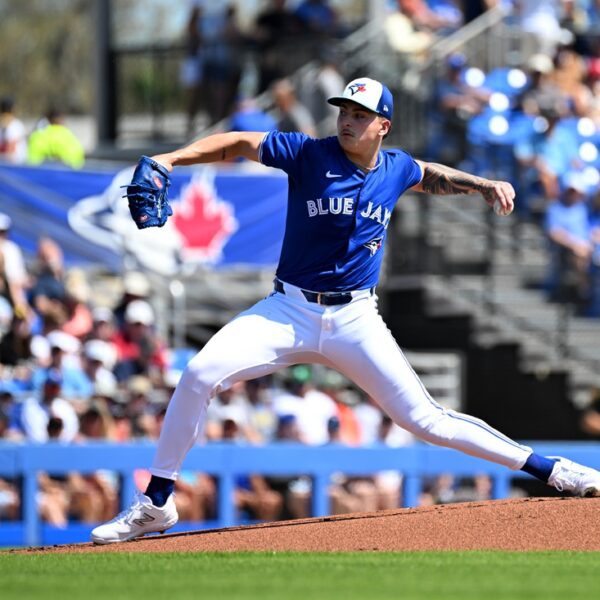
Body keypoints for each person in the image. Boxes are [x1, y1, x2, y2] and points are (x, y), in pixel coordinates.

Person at [91, 76, 600, 544]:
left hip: (355, 319)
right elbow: (239, 144)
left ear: (383, 125)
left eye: (360, 114)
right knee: (198, 373)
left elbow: (431, 174)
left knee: (424, 419)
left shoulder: (395, 167)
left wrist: (484, 184)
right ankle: (156, 501)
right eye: (344, 111)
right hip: (287, 310)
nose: (348, 120)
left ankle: (551, 469)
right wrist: (173, 158)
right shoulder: (310, 154)